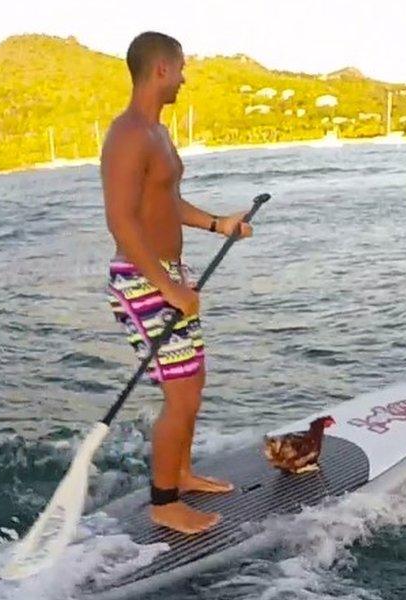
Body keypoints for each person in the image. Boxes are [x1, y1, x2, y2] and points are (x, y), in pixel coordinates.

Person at [101, 31, 253, 534]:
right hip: (142, 278)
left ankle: (181, 473)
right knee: (180, 395)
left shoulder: (159, 135)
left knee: (194, 384)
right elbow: (122, 222)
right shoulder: (127, 136)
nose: (185, 77)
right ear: (161, 69)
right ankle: (164, 503)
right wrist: (166, 288)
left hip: (167, 274)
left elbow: (166, 205)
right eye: (181, 67)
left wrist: (219, 224)